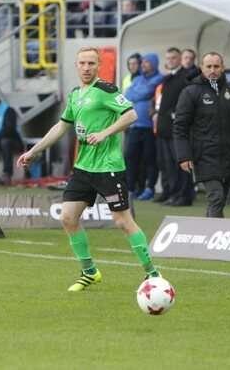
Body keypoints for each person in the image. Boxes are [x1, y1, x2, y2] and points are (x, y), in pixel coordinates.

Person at [17, 47, 160, 292]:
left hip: (108, 167)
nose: (86, 67)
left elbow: (131, 115)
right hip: (83, 167)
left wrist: (104, 133)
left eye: (91, 63)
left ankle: (152, 273)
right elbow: (61, 127)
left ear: (98, 66)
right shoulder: (75, 95)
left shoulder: (106, 90)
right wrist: (33, 151)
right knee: (67, 217)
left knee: (122, 221)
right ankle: (89, 271)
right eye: (82, 63)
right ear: (76, 65)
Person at [173, 52, 230, 218]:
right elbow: (180, 127)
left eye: (216, 66)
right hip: (203, 156)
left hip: (228, 156)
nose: (212, 70)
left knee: (219, 201)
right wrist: (184, 156)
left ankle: (207, 230)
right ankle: (216, 232)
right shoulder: (190, 92)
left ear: (223, 68)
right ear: (201, 68)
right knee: (216, 197)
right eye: (208, 66)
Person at [155, 48, 194, 206]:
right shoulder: (167, 78)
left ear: (179, 59)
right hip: (164, 129)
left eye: (173, 58)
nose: (170, 61)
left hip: (178, 130)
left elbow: (189, 100)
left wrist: (176, 114)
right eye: (168, 58)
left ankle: (184, 196)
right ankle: (173, 193)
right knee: (168, 165)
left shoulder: (186, 77)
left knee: (181, 164)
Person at [125, 53, 163, 201]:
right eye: (143, 62)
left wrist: (138, 93)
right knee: (130, 157)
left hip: (149, 127)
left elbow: (147, 91)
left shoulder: (159, 79)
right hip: (134, 126)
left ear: (154, 63)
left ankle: (149, 188)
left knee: (149, 159)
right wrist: (139, 93)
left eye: (146, 62)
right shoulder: (138, 79)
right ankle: (131, 188)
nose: (143, 64)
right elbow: (128, 95)